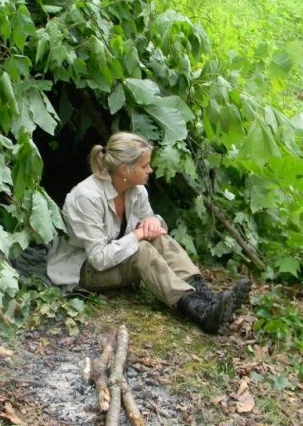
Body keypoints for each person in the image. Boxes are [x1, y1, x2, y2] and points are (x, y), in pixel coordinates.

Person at [46, 132, 250, 334]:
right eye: (144, 166)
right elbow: (98, 258)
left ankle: (210, 299)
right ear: (125, 169)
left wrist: (154, 221)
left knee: (158, 238)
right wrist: (137, 236)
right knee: (142, 248)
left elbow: (149, 225)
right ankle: (199, 311)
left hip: (115, 260)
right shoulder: (86, 198)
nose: (150, 170)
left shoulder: (136, 190)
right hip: (83, 270)